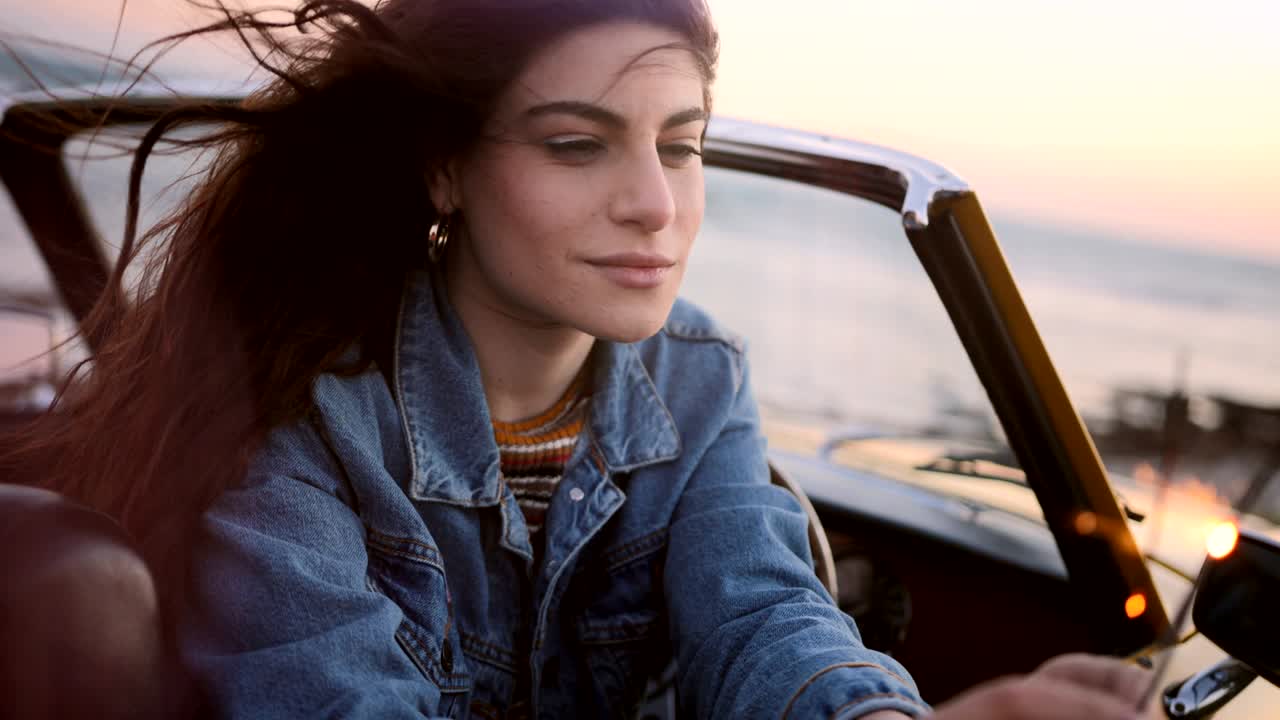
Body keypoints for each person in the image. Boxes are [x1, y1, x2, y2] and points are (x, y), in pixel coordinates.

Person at [3, 1, 1153, 718]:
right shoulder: (295, 413)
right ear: (444, 168)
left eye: (681, 147)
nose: (655, 206)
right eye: (575, 144)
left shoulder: (699, 383)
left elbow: (757, 614)